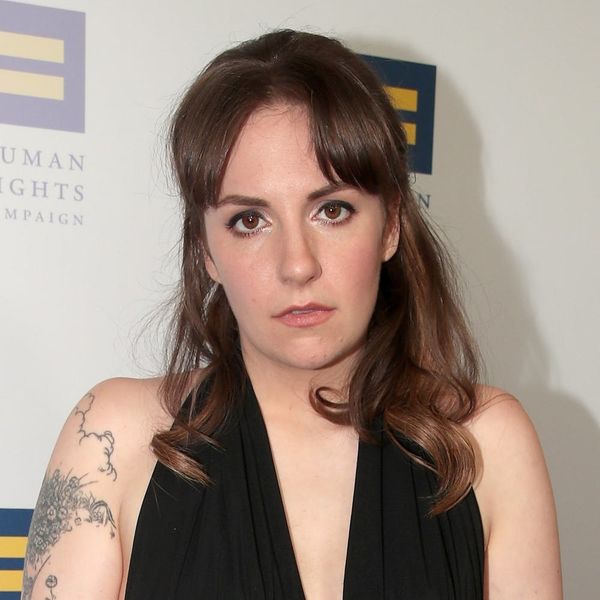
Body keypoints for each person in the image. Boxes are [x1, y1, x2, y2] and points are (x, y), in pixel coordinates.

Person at [22, 29, 562, 600]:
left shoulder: (486, 445)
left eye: (332, 210)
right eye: (249, 221)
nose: (297, 265)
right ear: (206, 252)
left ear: (391, 226)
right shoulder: (113, 441)